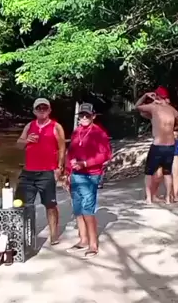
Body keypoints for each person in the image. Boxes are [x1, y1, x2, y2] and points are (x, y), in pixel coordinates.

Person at [16, 98, 66, 246]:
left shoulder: (56, 126)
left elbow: (62, 148)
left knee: (50, 205)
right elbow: (18, 145)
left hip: (47, 172)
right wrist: (26, 140)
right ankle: (24, 234)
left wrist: (60, 168)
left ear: (49, 110)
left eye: (45, 108)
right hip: (28, 171)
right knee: (22, 204)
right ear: (34, 111)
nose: (42, 111)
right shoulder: (29, 126)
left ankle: (53, 235)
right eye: (39, 108)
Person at [65, 103, 112, 259]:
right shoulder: (76, 131)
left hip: (90, 175)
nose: (84, 118)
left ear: (93, 116)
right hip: (75, 174)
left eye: (87, 115)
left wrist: (85, 163)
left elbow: (105, 155)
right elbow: (70, 153)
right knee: (77, 208)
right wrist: (67, 172)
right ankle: (83, 240)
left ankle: (93, 244)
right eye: (82, 115)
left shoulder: (99, 133)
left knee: (87, 209)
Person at [135, 87, 178, 204]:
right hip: (170, 145)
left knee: (149, 173)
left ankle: (149, 198)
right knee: (167, 173)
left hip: (158, 145)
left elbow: (137, 106)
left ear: (157, 97)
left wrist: (145, 95)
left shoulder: (153, 107)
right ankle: (168, 198)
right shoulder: (171, 110)